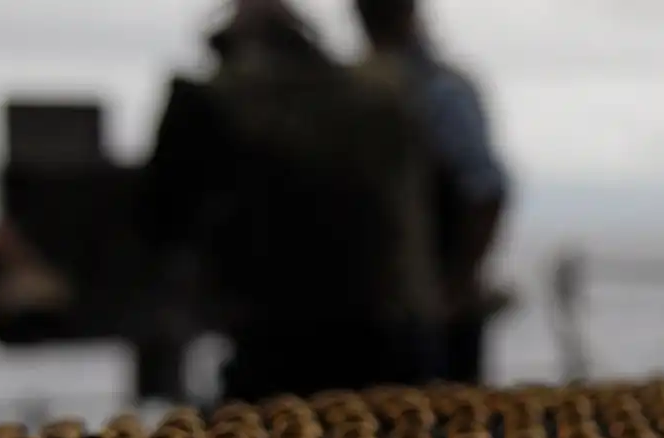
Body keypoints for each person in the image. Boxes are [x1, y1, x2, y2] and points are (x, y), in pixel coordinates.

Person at [138, 0, 441, 401]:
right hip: (386, 323)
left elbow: (161, 218)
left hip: (274, 331)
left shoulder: (217, 103)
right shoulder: (381, 95)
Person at [355, 0, 511, 385]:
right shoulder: (373, 88)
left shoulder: (438, 92)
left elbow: (484, 193)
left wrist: (454, 288)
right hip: (386, 310)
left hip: (430, 313)